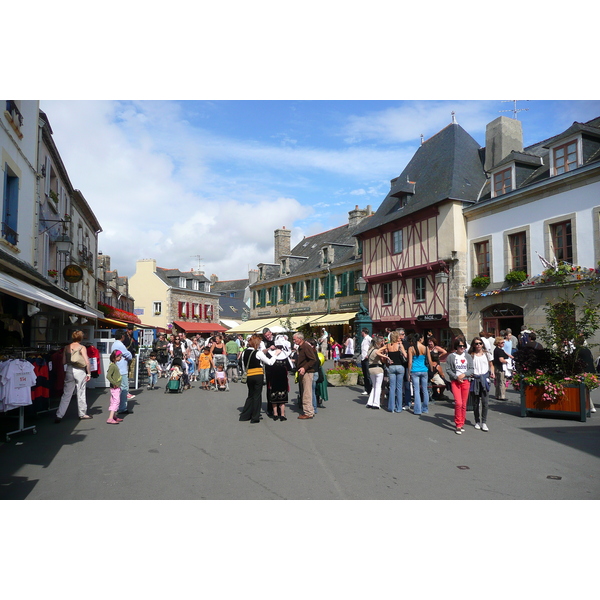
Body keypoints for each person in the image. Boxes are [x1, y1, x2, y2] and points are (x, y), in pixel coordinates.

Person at [239, 334, 281, 423]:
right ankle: (255, 416)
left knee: (250, 395)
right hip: (258, 375)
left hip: (249, 375)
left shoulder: (244, 352)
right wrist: (276, 354)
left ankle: (245, 415)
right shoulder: (258, 352)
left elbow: (243, 365)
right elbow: (270, 362)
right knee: (257, 396)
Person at [55, 330, 93, 422]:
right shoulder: (82, 347)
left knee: (66, 393)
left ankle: (59, 414)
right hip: (80, 370)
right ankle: (82, 413)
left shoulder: (66, 347)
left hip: (69, 369)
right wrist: (89, 373)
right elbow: (87, 362)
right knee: (81, 392)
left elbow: (63, 362)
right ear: (81, 338)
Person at [446, 338, 474, 434]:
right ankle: (458, 424)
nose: (461, 348)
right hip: (455, 382)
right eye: (459, 346)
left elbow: (471, 369)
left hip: (465, 381)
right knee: (458, 403)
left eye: (463, 346)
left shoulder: (468, 356)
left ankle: (462, 422)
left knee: (464, 404)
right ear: (456, 347)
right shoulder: (451, 356)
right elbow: (448, 369)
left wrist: (464, 375)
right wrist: (456, 377)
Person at [468, 336, 494, 431]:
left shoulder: (487, 354)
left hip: (484, 378)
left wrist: (492, 372)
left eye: (480, 343)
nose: (478, 345)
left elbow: (491, 365)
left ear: (482, 344)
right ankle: (477, 421)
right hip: (475, 379)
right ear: (473, 345)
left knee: (485, 403)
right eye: (476, 343)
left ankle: (484, 422)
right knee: (475, 403)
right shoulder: (471, 355)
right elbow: (468, 367)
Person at [265, 334, 293, 421]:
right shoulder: (285, 355)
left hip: (273, 377)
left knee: (273, 394)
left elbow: (268, 366)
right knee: (282, 395)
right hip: (283, 378)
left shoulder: (270, 354)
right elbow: (290, 367)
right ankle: (283, 414)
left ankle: (275, 414)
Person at [293, 332, 317, 419]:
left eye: (295, 339)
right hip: (304, 371)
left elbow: (313, 359)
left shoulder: (306, 347)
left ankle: (308, 412)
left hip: (307, 372)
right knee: (305, 391)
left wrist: (304, 368)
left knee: (307, 392)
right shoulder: (301, 347)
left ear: (300, 339)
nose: (294, 341)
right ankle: (309, 410)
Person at [407, 332, 432, 415]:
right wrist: (431, 370)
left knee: (416, 390)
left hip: (415, 370)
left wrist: (408, 373)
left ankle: (417, 409)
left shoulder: (411, 348)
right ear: (420, 339)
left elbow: (410, 362)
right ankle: (425, 408)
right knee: (425, 389)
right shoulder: (425, 348)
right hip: (424, 370)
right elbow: (429, 361)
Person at [384, 330, 408, 413]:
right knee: (399, 388)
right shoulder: (399, 345)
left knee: (392, 387)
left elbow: (378, 351)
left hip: (391, 367)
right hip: (400, 366)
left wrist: (387, 358)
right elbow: (405, 355)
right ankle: (399, 407)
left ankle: (391, 407)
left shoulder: (388, 345)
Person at [111, 330, 133, 415]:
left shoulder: (114, 344)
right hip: (121, 369)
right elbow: (128, 354)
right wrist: (129, 356)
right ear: (122, 337)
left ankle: (116, 406)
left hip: (117, 368)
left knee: (116, 389)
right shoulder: (120, 345)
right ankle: (122, 408)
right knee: (124, 388)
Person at [365, 335, 387, 409]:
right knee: (378, 387)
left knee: (374, 386)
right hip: (378, 369)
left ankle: (370, 402)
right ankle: (376, 403)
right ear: (377, 343)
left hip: (371, 369)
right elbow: (382, 360)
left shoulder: (369, 350)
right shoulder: (377, 351)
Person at [106, 350, 124, 424]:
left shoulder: (114, 365)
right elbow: (108, 376)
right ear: (115, 357)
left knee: (113, 401)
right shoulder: (113, 366)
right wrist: (114, 383)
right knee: (116, 401)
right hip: (115, 387)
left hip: (116, 387)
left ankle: (113, 416)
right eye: (120, 356)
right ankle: (110, 418)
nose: (121, 358)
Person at [360, 328, 373, 396]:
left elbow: (372, 345)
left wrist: (368, 354)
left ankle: (369, 389)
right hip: (363, 358)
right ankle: (367, 389)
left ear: (363, 332)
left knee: (368, 375)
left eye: (361, 332)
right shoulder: (364, 339)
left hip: (366, 358)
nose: (361, 333)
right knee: (365, 374)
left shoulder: (368, 338)